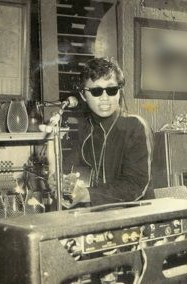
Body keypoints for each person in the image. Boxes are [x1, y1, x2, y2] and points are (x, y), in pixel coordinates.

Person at [62, 57, 153, 207]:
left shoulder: (135, 126)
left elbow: (135, 185)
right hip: (99, 216)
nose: (105, 98)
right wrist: (62, 180)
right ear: (84, 95)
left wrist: (87, 194)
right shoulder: (85, 128)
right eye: (96, 91)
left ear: (119, 92)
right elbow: (71, 168)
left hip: (136, 217)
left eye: (111, 90)